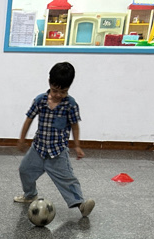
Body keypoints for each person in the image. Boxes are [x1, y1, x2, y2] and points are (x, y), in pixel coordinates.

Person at [15, 62, 95, 219]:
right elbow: (29, 119)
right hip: (38, 149)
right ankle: (30, 195)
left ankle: (81, 205)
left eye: (63, 91)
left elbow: (75, 126)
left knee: (67, 179)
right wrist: (22, 139)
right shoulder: (40, 100)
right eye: (55, 90)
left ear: (69, 88)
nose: (58, 94)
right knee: (24, 170)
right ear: (49, 83)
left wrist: (77, 146)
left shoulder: (70, 104)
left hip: (58, 152)